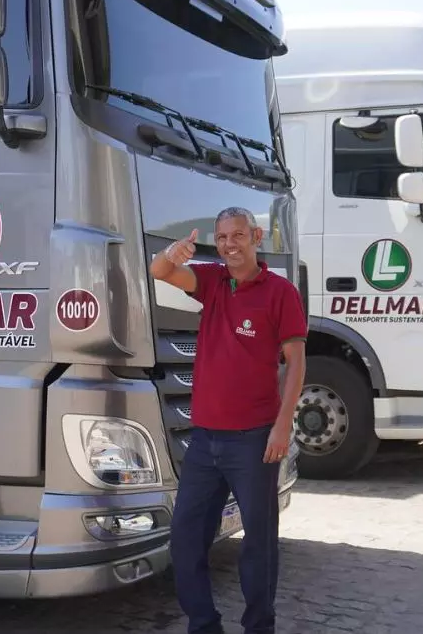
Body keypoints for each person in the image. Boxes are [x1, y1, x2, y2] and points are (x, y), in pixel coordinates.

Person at [149, 206, 307, 634]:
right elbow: (160, 271)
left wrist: (282, 424)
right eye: (221, 238)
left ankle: (259, 627)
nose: (229, 245)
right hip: (204, 442)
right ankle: (204, 625)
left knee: (258, 546)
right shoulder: (213, 281)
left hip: (254, 441)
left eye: (238, 236)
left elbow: (295, 363)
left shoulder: (280, 293)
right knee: (185, 541)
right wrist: (173, 254)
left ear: (256, 237)